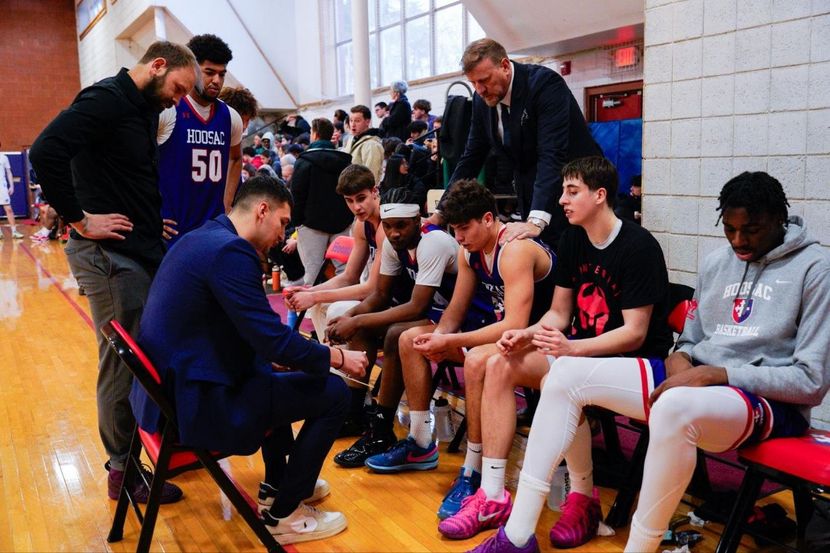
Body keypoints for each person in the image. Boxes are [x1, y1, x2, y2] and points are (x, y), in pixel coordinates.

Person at [471, 170, 830, 553]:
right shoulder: (717, 262)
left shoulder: (815, 269)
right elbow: (690, 341)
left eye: (752, 230)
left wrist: (718, 374)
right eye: (730, 229)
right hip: (701, 383)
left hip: (764, 401)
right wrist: (682, 361)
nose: (739, 240)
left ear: (779, 219)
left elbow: (811, 381)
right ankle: (517, 536)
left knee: (673, 407)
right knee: (564, 373)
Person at [440, 156, 673, 542]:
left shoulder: (638, 245)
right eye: (563, 190)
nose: (561, 200)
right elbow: (559, 313)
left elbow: (634, 333)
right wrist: (526, 335)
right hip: (577, 352)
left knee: (563, 376)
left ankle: (581, 497)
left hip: (633, 363)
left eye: (571, 191)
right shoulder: (573, 239)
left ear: (599, 195)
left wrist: (572, 348)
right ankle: (492, 494)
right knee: (499, 363)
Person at [128, 175, 369, 544]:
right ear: (262, 210)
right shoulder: (232, 252)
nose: (282, 235)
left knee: (272, 374)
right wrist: (336, 356)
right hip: (196, 405)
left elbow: (247, 334)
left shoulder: (203, 236)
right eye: (283, 223)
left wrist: (277, 356)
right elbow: (273, 341)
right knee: (334, 393)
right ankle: (285, 515)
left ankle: (277, 485)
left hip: (167, 396)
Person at [29, 40, 199, 503]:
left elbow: (123, 176)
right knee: (123, 363)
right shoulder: (105, 99)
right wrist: (79, 218)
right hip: (108, 258)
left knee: (152, 352)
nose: (178, 101)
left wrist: (147, 218)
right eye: (178, 88)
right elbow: (45, 151)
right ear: (158, 65)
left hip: (138, 248)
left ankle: (154, 446)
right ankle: (123, 470)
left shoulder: (144, 108)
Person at [363, 181, 555, 493]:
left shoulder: (515, 250)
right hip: (497, 332)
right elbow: (455, 310)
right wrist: (439, 338)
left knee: (477, 360)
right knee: (410, 340)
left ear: (488, 219)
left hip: (535, 337)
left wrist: (450, 342)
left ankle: (474, 468)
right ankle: (420, 442)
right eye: (454, 229)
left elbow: (514, 324)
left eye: (465, 228)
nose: (459, 237)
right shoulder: (469, 251)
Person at [326, 187, 480, 468]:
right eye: (388, 226)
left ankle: (383, 429)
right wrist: (349, 317)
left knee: (396, 333)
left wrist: (356, 319)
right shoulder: (393, 244)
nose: (394, 233)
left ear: (417, 221)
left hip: (462, 318)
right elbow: (380, 295)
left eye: (401, 226)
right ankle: (356, 412)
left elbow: (417, 307)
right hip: (436, 314)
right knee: (364, 329)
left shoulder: (433, 241)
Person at [442, 39, 602, 250]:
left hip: (576, 189)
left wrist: (536, 220)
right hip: (531, 192)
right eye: (473, 83)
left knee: (572, 255)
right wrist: (442, 210)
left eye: (484, 80)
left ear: (505, 66)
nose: (479, 90)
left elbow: (552, 154)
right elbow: (472, 155)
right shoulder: (481, 100)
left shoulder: (545, 84)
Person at [285, 164, 387, 434]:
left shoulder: (386, 225)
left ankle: (351, 399)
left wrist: (316, 294)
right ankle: (341, 385)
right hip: (375, 296)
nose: (356, 207)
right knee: (320, 305)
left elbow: (372, 288)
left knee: (337, 310)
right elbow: (349, 277)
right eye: (350, 201)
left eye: (361, 198)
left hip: (395, 300)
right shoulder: (360, 225)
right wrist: (310, 292)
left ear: (375, 191)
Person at [157, 34, 243, 247]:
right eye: (209, 72)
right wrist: (149, 213)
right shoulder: (168, 110)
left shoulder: (231, 117)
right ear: (192, 70)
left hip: (211, 228)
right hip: (172, 228)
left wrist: (227, 204)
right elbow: (138, 163)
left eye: (222, 74)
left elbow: (235, 158)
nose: (217, 81)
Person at [290, 117, 353, 285]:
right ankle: (346, 302)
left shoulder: (304, 161)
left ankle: (310, 303)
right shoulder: (345, 160)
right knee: (345, 272)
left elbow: (297, 194)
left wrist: (297, 222)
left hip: (311, 224)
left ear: (315, 134)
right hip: (342, 222)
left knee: (311, 273)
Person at [345, 105, 384, 184]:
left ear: (367, 122)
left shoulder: (371, 145)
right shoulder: (351, 139)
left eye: (357, 121)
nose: (353, 124)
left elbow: (371, 175)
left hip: (361, 188)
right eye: (351, 120)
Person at [0, 142, 23, 239]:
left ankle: (14, 231)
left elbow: (9, 172)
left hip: (2, 187)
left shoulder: (4, 157)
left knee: (8, 209)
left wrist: (11, 186)